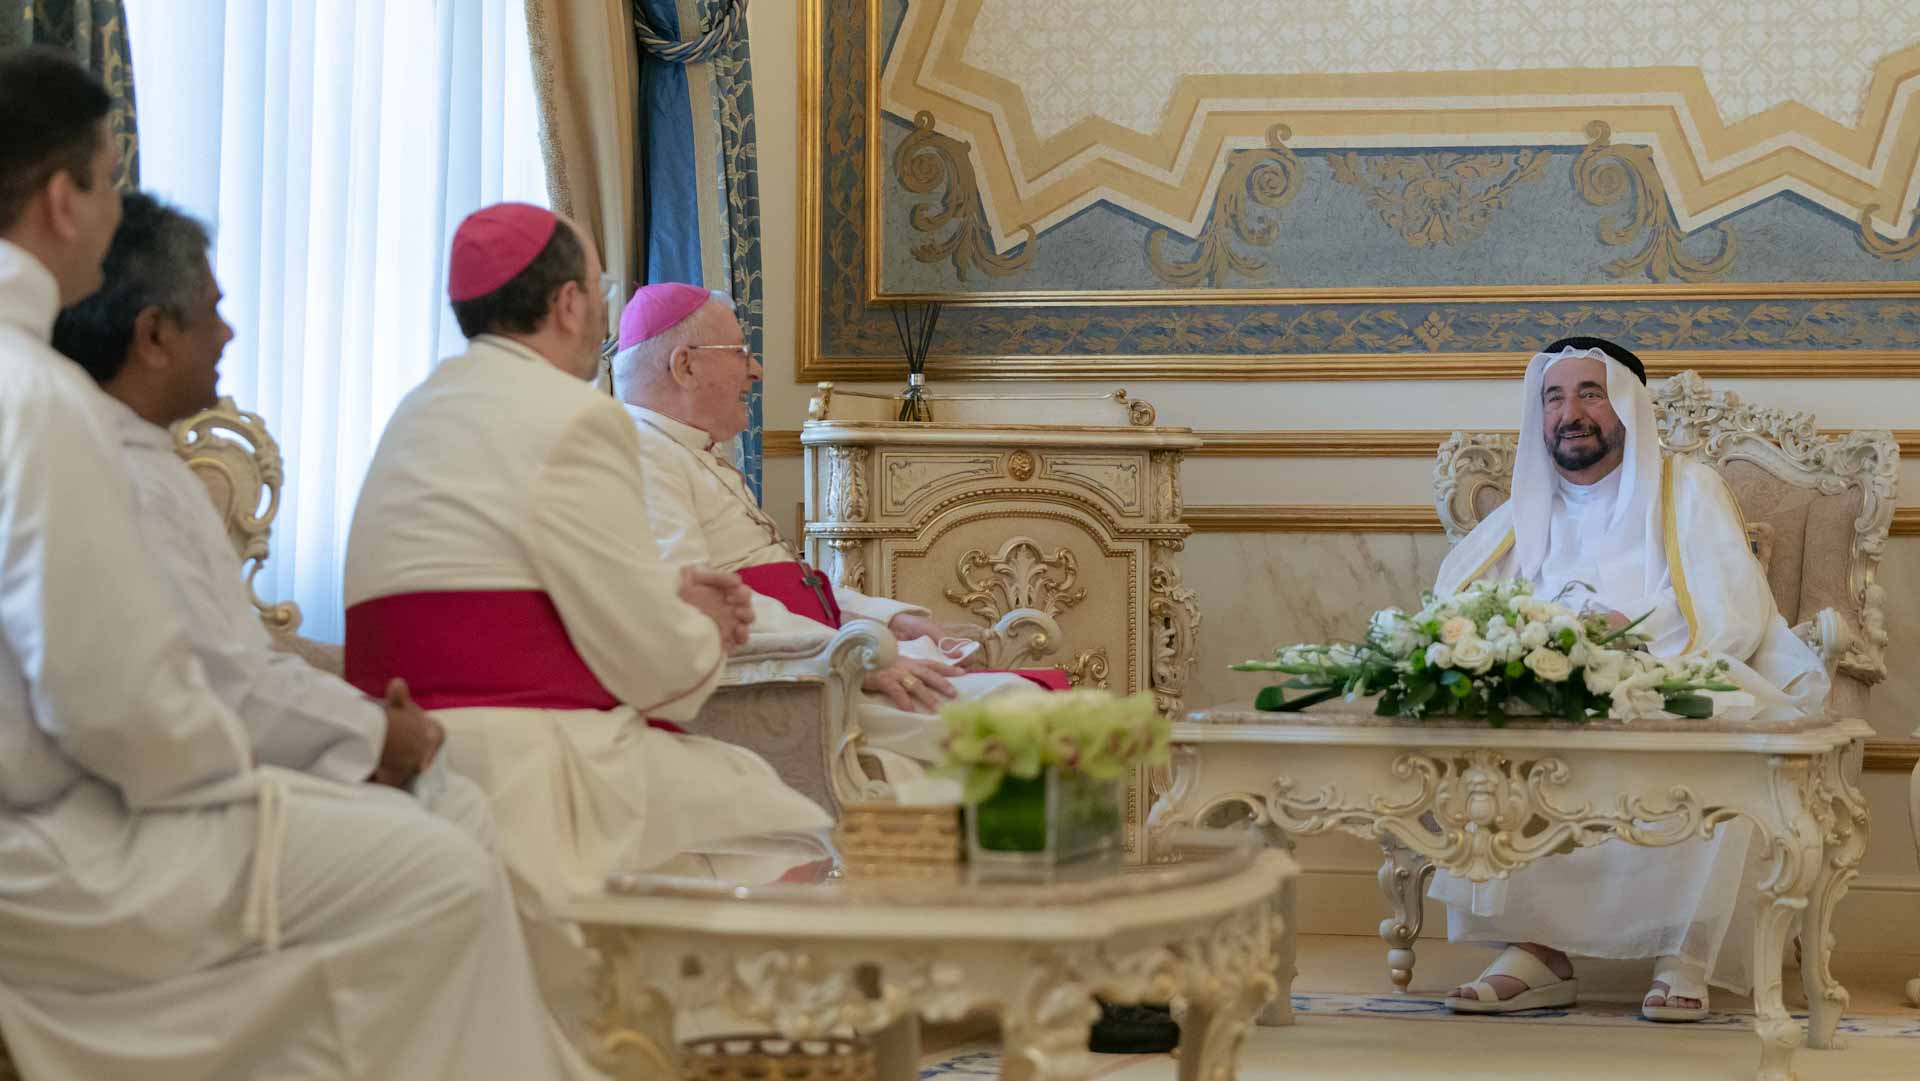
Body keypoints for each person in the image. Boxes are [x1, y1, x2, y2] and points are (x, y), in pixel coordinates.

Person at [0, 46, 567, 1080]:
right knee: (438, 866)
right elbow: (121, 708)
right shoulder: (39, 401)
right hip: (61, 849)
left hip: (59, 818)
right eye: (108, 179)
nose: (117, 206)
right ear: (59, 201)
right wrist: (263, 770)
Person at [342, 204, 831, 1057]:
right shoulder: (577, 416)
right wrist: (702, 621)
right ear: (569, 304)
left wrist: (658, 587)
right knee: (787, 824)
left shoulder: (418, 410)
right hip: (530, 768)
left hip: (406, 759)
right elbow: (660, 679)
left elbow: (501, 589)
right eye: (598, 293)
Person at [52, 190, 498, 842]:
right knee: (447, 834)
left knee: (451, 804)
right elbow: (224, 680)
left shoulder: (140, 455)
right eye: (213, 310)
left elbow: (243, 660)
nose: (228, 332)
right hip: (151, 816)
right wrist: (378, 733)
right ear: (153, 335)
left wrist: (367, 722)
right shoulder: (120, 475)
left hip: (212, 767)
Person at [1432, 336, 1828, 1022]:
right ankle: (1538, 948)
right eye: (1554, 397)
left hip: (1674, 671)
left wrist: (1624, 644)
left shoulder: (1689, 491)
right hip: (1556, 688)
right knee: (1494, 716)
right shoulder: (1524, 511)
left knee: (1719, 726)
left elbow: (1730, 615)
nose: (1569, 412)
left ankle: (1685, 950)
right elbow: (1462, 609)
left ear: (1628, 407)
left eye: (1590, 393)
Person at [612, 283, 1062, 785]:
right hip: (791, 688)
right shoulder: (641, 454)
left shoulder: (685, 450)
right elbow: (701, 607)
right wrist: (841, 655)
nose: (755, 370)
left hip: (819, 665)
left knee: (1010, 694)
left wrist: (895, 620)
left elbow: (784, 582)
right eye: (741, 353)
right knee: (1024, 710)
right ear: (684, 366)